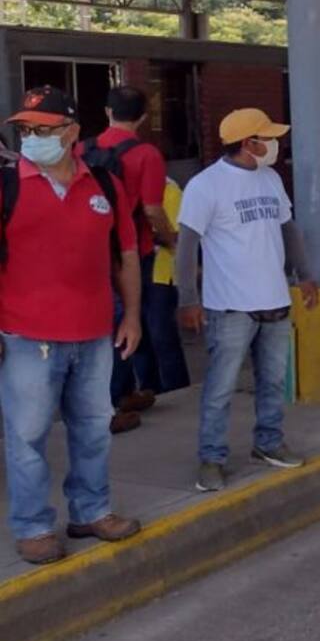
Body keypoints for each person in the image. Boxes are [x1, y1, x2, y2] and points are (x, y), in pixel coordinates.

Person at [0, 86, 142, 564]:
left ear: (73, 132)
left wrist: (134, 317)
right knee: (27, 436)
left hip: (95, 334)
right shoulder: (7, 186)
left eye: (44, 129)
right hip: (26, 337)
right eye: (25, 130)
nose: (32, 138)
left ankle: (91, 511)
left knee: (93, 429)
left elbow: (126, 254)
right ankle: (34, 526)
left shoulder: (103, 184)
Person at [175, 108, 318, 493]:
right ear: (246, 143)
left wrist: (304, 275)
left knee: (272, 381)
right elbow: (186, 247)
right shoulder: (206, 186)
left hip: (274, 300)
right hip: (230, 307)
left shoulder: (271, 178)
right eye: (266, 138)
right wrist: (188, 299)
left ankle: (268, 443)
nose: (275, 144)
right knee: (220, 388)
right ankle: (211, 458)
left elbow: (289, 231)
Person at [82, 86, 177, 433]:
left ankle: (124, 393)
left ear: (108, 111)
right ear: (142, 116)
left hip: (92, 251)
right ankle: (110, 403)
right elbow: (153, 211)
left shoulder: (83, 149)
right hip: (132, 251)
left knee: (106, 325)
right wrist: (172, 240)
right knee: (128, 325)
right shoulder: (147, 155)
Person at [146, 175, 190, 394]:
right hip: (138, 274)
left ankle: (177, 390)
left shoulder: (168, 190)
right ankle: (150, 391)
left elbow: (177, 236)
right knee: (142, 340)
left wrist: (144, 233)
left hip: (162, 275)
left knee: (162, 336)